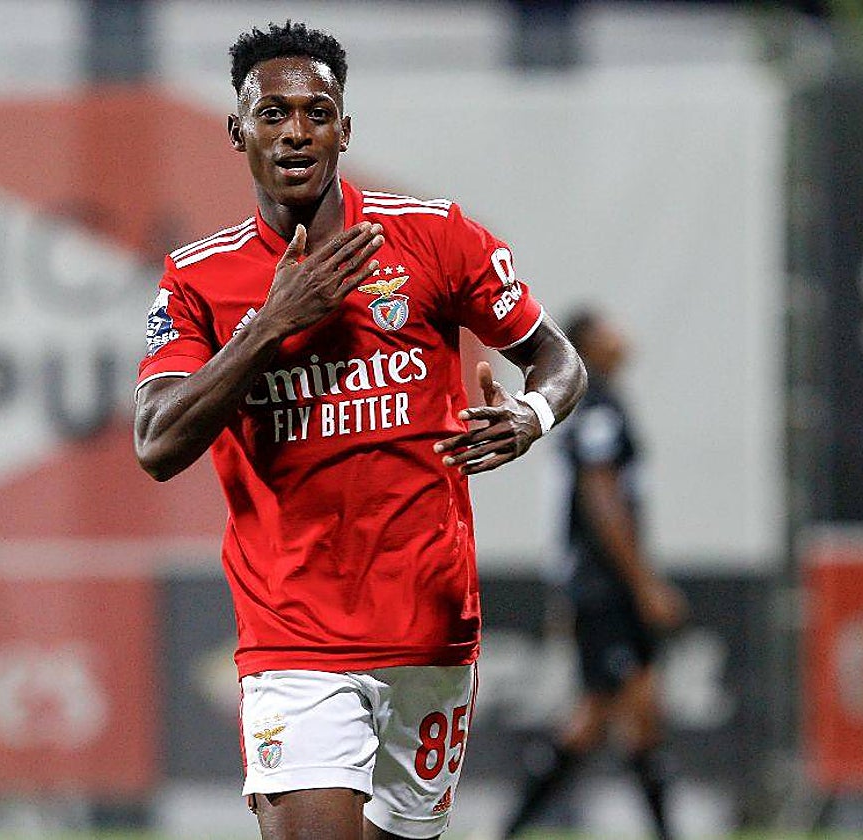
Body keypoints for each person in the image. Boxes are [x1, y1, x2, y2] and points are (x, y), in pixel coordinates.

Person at [134, 21, 586, 840]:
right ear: (238, 133)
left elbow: (557, 358)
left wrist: (531, 413)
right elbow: (157, 444)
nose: (296, 131)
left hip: (430, 629)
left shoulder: (436, 236)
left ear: (346, 128)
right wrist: (269, 326)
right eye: (272, 113)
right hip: (293, 634)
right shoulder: (200, 278)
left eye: (317, 111)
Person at [501, 309, 687, 840]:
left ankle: (510, 826)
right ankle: (508, 826)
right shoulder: (598, 405)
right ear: (585, 346)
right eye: (607, 328)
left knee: (625, 710)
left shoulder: (603, 403)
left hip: (602, 584)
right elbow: (601, 496)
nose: (621, 335)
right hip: (603, 585)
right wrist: (644, 583)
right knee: (610, 711)